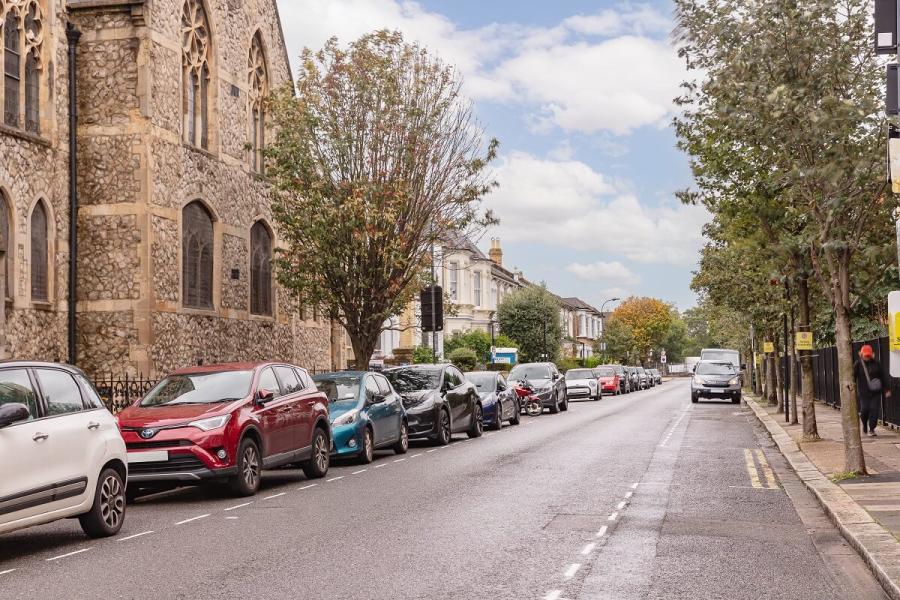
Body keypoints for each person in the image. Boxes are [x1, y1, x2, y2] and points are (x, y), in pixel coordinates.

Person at [853, 345, 891, 437]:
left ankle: (872, 429)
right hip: (863, 392)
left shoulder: (877, 363)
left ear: (872, 355)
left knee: (874, 410)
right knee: (864, 409)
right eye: (865, 355)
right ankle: (865, 425)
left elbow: (883, 376)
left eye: (868, 355)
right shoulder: (858, 364)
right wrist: (851, 386)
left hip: (876, 391)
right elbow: (853, 376)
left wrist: (887, 389)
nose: (867, 357)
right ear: (861, 354)